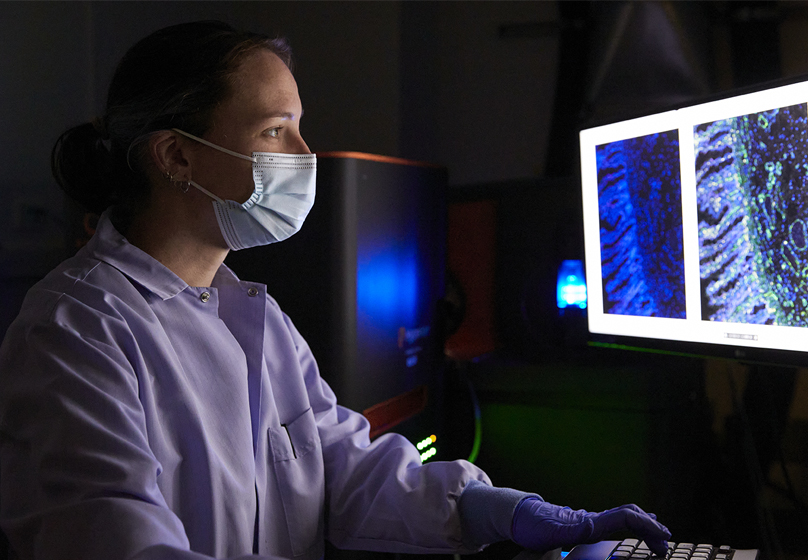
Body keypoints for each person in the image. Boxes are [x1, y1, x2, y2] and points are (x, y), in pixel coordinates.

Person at [0, 21, 671, 560]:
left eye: (298, 126)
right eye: (273, 130)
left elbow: (343, 467)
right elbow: (115, 534)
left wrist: (497, 510)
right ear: (177, 156)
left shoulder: (250, 314)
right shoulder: (74, 328)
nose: (304, 153)